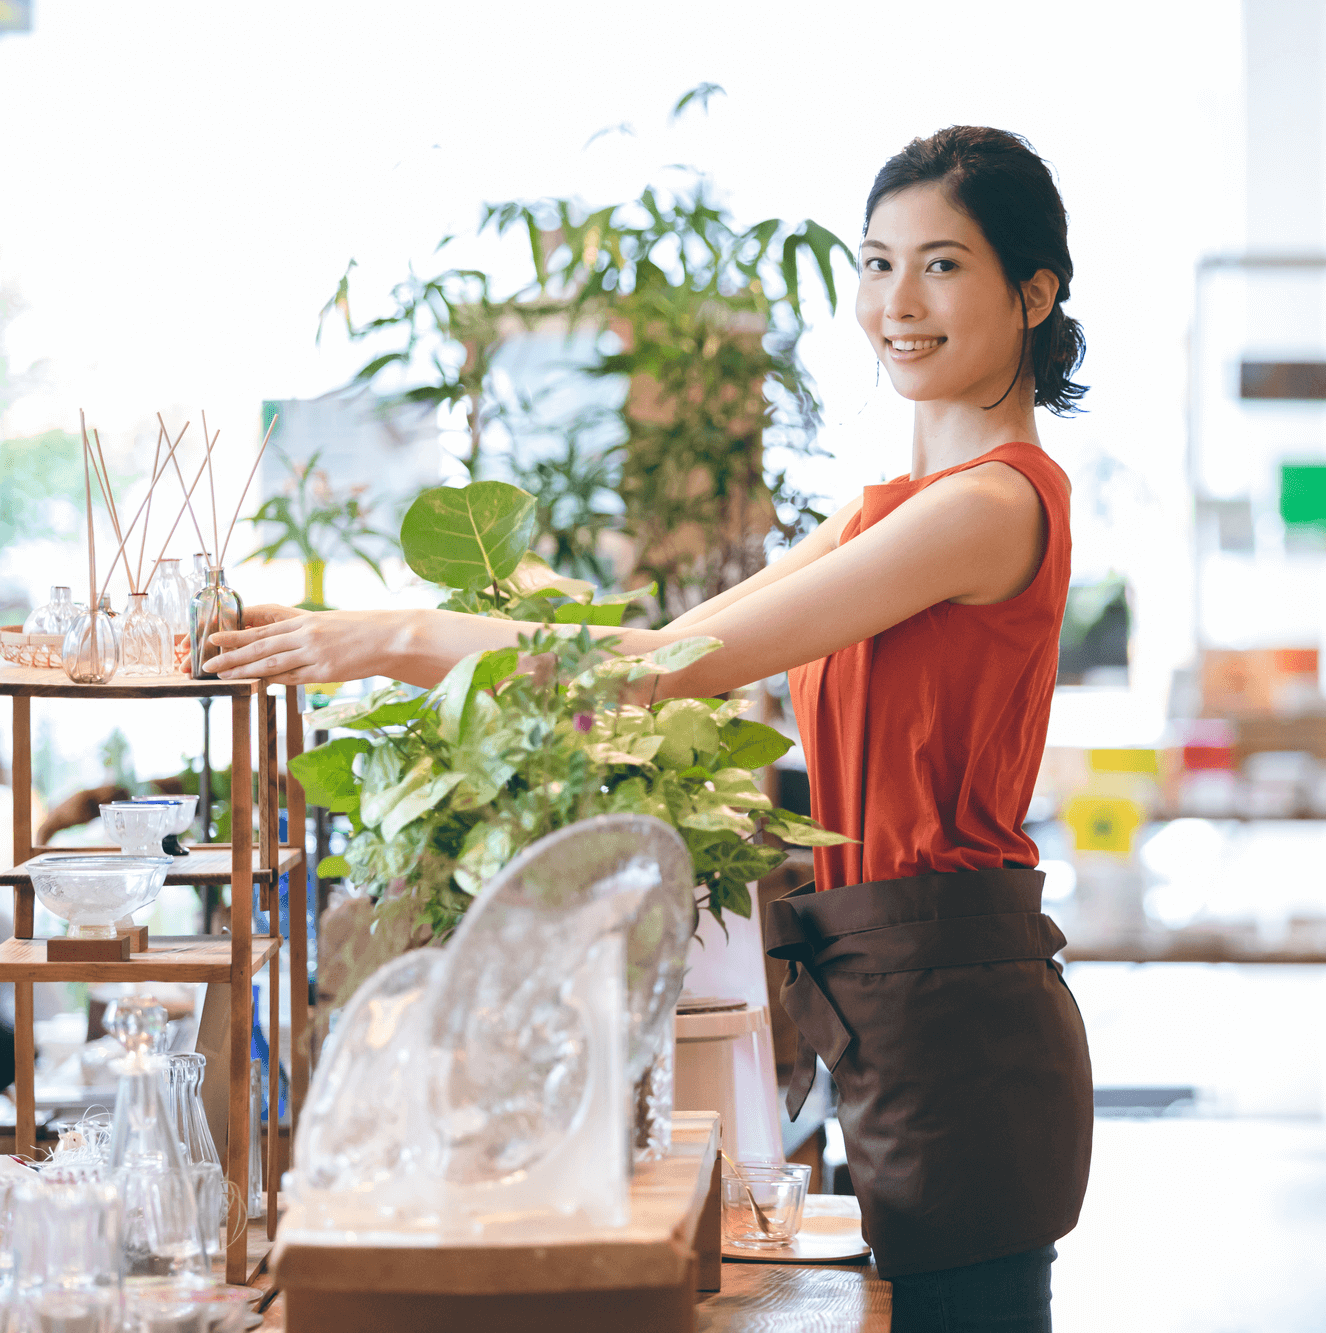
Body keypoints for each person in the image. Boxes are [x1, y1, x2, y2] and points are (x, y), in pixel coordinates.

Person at [204, 125, 1093, 1331]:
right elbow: (654, 649)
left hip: (960, 1031)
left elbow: (662, 673)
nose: (896, 303)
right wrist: (387, 623)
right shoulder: (891, 510)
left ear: (1031, 292)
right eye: (876, 263)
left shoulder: (987, 509)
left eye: (941, 265)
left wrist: (383, 637)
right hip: (894, 1000)